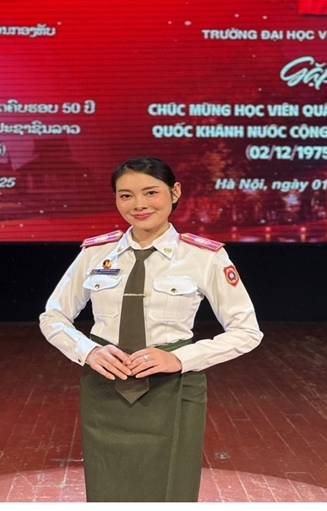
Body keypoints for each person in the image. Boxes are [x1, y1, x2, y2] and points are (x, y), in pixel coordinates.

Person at [39, 156, 263, 502]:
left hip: (172, 386)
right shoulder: (96, 253)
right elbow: (53, 316)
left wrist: (180, 359)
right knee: (107, 485)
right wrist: (88, 351)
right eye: (126, 195)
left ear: (174, 192)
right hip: (105, 386)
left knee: (171, 488)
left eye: (150, 192)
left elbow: (247, 331)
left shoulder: (203, 256)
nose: (139, 204)